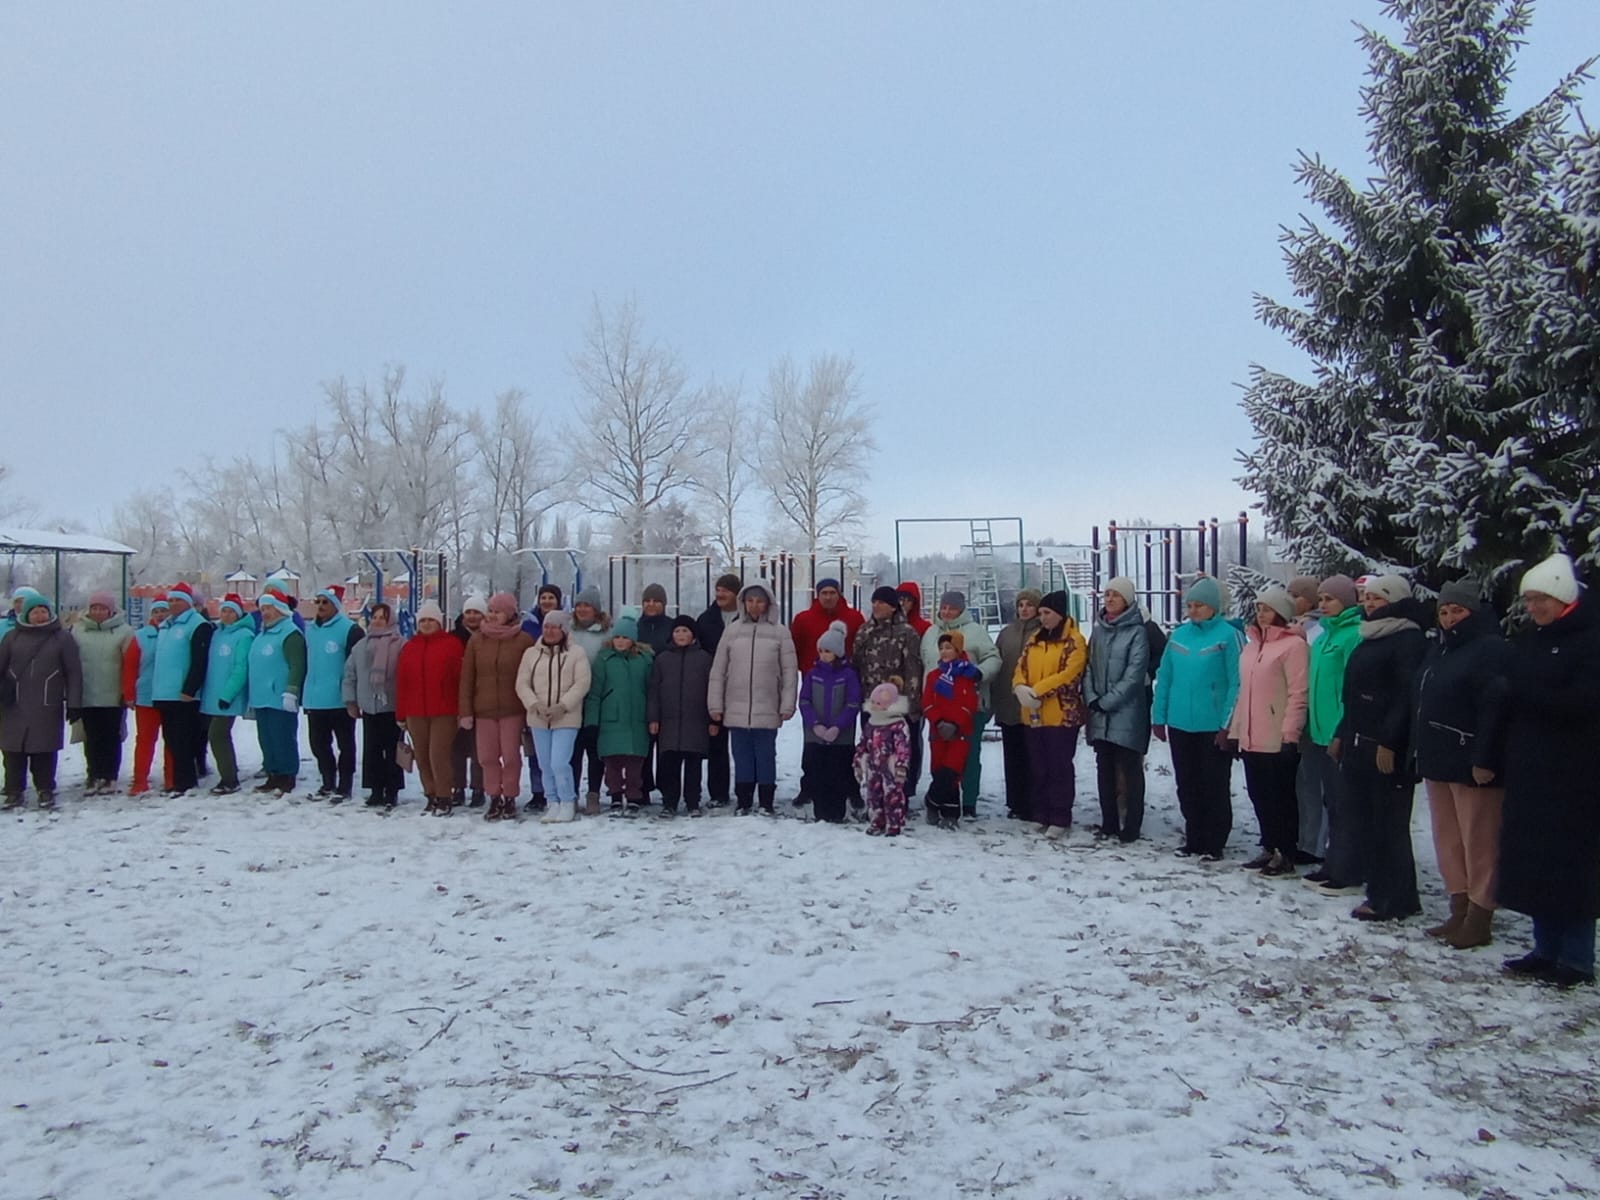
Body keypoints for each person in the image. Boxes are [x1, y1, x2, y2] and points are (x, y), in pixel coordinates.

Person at [1497, 553, 1600, 988]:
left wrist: (1524, 695)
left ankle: (1576, 958)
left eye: (1541, 599)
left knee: (1571, 865)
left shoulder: (1589, 640)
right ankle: (1545, 948)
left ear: (1563, 598)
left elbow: (1584, 701)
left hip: (1575, 771)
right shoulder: (1534, 637)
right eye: (1530, 600)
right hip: (1532, 766)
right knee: (1537, 859)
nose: (1534, 607)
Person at [1412, 579, 1510, 949]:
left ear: (1473, 612)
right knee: (1448, 837)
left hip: (1472, 761)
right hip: (1439, 757)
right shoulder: (1439, 650)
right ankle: (1458, 905)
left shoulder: (1490, 650)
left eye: (1458, 610)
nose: (1450, 617)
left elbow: (1495, 707)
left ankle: (1481, 913)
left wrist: (1485, 757)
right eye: (1444, 611)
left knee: (1478, 839)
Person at [1330, 575, 1427, 923]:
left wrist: (1391, 741)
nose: (1369, 604)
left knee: (1390, 825)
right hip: (1358, 740)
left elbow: (1405, 696)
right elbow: (1352, 695)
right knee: (1367, 822)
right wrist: (1342, 732)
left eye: (1378, 598)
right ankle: (1379, 890)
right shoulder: (1369, 635)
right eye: (1367, 597)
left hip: (1386, 748)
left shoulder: (1407, 638)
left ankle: (1396, 897)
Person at [1151, 576, 1242, 862]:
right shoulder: (1179, 635)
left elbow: (1237, 683)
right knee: (1187, 783)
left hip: (1212, 725)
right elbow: (1164, 676)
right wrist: (1159, 716)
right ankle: (1194, 836)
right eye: (1189, 605)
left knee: (1213, 784)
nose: (1193, 610)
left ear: (1214, 607)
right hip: (1180, 723)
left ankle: (1214, 841)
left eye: (1199, 605)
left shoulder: (1229, 636)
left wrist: (1227, 724)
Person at [1229, 586, 1310, 878]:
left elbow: (1298, 692)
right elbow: (1245, 692)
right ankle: (1268, 844)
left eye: (1267, 608)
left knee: (1281, 797)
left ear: (1281, 613)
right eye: (1259, 608)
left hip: (1276, 736)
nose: (1261, 613)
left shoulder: (1293, 646)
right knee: (1259, 794)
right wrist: (1237, 730)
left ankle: (1285, 851)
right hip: (1252, 736)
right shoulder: (1252, 645)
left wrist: (1290, 733)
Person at [708, 584, 797, 815]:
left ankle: (766, 802)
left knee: (766, 755)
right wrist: (715, 704)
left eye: (759, 601)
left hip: (767, 706)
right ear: (743, 603)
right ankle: (744, 800)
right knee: (742, 756)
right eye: (750, 601)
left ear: (768, 603)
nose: (754, 605)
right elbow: (718, 671)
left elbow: (789, 672)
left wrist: (787, 703)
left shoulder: (780, 632)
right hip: (736, 707)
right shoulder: (732, 631)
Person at [1301, 575, 1365, 894]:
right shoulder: (1324, 636)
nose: (1323, 604)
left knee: (1345, 804)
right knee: (1333, 801)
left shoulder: (1352, 635)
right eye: (1321, 598)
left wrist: (1342, 729)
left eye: (1331, 599)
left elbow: (1351, 690)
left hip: (1340, 733)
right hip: (1320, 732)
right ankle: (1332, 862)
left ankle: (1348, 869)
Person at [1012, 590, 1089, 839]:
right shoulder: (1035, 639)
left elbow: (1070, 674)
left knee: (1059, 767)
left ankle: (1059, 815)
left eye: (1047, 613)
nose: (1042, 618)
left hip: (1061, 715)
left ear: (1059, 614)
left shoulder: (1074, 640)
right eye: (1041, 613)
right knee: (1038, 766)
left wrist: (1037, 691)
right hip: (1033, 715)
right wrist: (1020, 687)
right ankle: (1040, 812)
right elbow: (1020, 667)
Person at [919, 590, 1002, 818]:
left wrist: (979, 673)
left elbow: (993, 657)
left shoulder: (975, 632)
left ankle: (969, 800)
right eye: (943, 607)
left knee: (967, 756)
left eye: (952, 608)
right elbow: (925, 664)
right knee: (940, 757)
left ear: (961, 609)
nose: (946, 612)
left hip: (968, 706)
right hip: (937, 708)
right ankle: (944, 799)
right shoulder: (931, 633)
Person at [1082, 577, 1151, 844]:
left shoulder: (1137, 632)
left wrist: (1108, 700)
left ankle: (1131, 826)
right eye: (1106, 594)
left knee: (1130, 770)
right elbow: (1088, 667)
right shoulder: (1099, 630)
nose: (1109, 599)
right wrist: (1091, 697)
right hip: (1099, 711)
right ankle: (1109, 822)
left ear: (1127, 600)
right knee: (1104, 768)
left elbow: (1134, 675)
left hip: (1127, 713)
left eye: (1115, 595)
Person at [0, 593, 82, 810]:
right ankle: (13, 791)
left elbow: (73, 672)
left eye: (43, 611)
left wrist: (74, 703)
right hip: (13, 704)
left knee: (44, 750)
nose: (39, 616)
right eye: (35, 612)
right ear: (26, 614)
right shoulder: (11, 637)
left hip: (47, 703)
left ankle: (45, 789)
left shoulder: (62, 638)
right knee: (12, 751)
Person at [460, 592, 537, 822]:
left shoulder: (523, 640)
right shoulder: (477, 640)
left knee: (511, 757)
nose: (493, 616)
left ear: (510, 614)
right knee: (487, 757)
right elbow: (467, 678)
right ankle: (494, 796)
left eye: (498, 612)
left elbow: (531, 677)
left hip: (512, 709)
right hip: (483, 709)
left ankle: (510, 796)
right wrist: (465, 711)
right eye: (491, 611)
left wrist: (529, 709)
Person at [790, 579, 866, 806]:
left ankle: (850, 788)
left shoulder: (854, 618)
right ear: (817, 594)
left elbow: (859, 647)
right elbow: (796, 647)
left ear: (839, 594)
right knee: (812, 745)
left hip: (844, 684)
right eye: (824, 592)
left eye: (832, 592)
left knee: (844, 746)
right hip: (815, 684)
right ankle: (809, 787)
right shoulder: (804, 619)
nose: (828, 597)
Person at [852, 585, 924, 822]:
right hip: (871, 704)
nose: (876, 606)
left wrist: (912, 706)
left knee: (897, 756)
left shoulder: (907, 633)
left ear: (893, 607)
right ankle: (874, 800)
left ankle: (899, 799)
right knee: (872, 754)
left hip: (897, 705)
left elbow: (913, 670)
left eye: (881, 602)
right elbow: (856, 664)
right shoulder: (864, 631)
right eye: (874, 602)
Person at [517, 608, 591, 824]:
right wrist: (534, 704)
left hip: (566, 717)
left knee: (560, 761)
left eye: (555, 627)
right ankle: (553, 802)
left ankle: (568, 800)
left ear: (564, 630)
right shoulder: (532, 653)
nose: (549, 631)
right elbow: (522, 683)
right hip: (539, 717)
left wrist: (563, 705)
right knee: (545, 763)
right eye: (546, 626)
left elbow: (582, 683)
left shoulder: (576, 653)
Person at [396, 600, 464, 816]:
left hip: (444, 710)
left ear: (439, 622)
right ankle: (430, 793)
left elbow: (460, 680)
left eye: (430, 620)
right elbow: (402, 682)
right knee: (422, 755)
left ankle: (445, 795)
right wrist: (401, 713)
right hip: (416, 711)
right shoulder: (410, 648)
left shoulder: (451, 645)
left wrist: (461, 709)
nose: (426, 624)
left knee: (438, 754)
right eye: (422, 620)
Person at [648, 615, 715, 818]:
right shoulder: (662, 659)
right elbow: (653, 691)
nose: (681, 635)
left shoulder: (704, 659)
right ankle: (669, 802)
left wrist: (713, 719)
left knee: (693, 766)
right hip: (668, 723)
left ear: (693, 634)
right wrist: (653, 718)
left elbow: (712, 691)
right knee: (669, 765)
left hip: (696, 722)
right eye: (677, 631)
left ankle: (693, 801)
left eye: (685, 631)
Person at [585, 614, 653, 813]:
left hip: (636, 720)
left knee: (635, 764)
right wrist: (592, 722)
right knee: (612, 764)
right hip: (610, 721)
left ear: (633, 639)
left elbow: (651, 691)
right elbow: (595, 693)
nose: (620, 641)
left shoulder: (645, 660)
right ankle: (615, 794)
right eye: (617, 637)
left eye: (625, 637)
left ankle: (633, 795)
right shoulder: (604, 660)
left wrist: (652, 717)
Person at [152, 583, 213, 798]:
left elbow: (200, 660)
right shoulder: (166, 626)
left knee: (184, 739)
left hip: (183, 695)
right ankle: (178, 779)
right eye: (170, 600)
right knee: (171, 739)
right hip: (164, 692)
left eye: (177, 600)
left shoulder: (197, 625)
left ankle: (186, 781)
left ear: (188, 603)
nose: (173, 604)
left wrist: (190, 688)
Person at [303, 585, 363, 803]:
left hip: (340, 700)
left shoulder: (350, 630)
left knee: (345, 744)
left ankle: (344, 785)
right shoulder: (310, 631)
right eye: (317, 602)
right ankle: (327, 781)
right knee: (318, 744)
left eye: (325, 602)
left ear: (336, 605)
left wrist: (353, 697)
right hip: (315, 698)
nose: (320, 606)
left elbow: (356, 666)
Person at [798, 620, 862, 824]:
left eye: (828, 651)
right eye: (821, 650)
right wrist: (814, 724)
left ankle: (837, 810)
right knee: (818, 772)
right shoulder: (813, 674)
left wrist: (837, 726)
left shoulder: (848, 675)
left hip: (840, 737)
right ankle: (820, 810)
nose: (823, 654)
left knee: (838, 773)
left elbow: (853, 703)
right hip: (815, 736)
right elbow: (805, 700)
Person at [343, 601, 405, 810]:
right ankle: (376, 790)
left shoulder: (400, 644)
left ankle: (392, 790)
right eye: (375, 617)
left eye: (383, 618)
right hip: (369, 706)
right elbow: (350, 674)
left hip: (392, 706)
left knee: (392, 750)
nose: (378, 621)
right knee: (372, 750)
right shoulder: (360, 646)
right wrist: (351, 701)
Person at [71, 589, 133, 795]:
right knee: (91, 738)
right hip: (87, 694)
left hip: (112, 694)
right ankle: (94, 774)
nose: (98, 612)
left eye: (102, 608)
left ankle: (110, 776)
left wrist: (127, 691)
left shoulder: (124, 631)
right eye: (94, 608)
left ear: (111, 610)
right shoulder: (78, 631)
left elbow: (130, 663)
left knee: (111, 737)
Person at [246, 592, 306, 797]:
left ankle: (287, 775)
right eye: (262, 609)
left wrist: (291, 691)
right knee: (267, 738)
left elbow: (296, 665)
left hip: (280, 696)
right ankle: (272, 773)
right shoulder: (262, 634)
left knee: (282, 737)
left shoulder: (290, 633)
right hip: (261, 696)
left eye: (269, 608)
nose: (265, 613)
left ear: (280, 609)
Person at [923, 631, 982, 829]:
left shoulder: (967, 676)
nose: (944, 652)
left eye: (948, 647)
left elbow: (970, 704)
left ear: (958, 649)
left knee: (952, 771)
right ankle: (939, 809)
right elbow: (927, 702)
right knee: (938, 768)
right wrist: (938, 721)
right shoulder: (934, 676)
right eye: (941, 648)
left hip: (959, 731)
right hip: (938, 730)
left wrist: (955, 723)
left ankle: (939, 805)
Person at [198, 594, 255, 796]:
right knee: (218, 736)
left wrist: (228, 694)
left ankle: (230, 779)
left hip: (227, 696)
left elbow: (241, 668)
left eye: (231, 611)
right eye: (224, 610)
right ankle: (229, 770)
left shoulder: (244, 636)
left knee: (218, 734)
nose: (226, 615)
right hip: (211, 695)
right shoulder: (217, 633)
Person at [994, 588, 1043, 821]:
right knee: (1012, 755)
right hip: (1007, 701)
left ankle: (1035, 802)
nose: (1024, 609)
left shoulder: (1044, 632)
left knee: (1034, 755)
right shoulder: (1006, 633)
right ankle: (1016, 802)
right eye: (1021, 604)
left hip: (1033, 704)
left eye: (1029, 605)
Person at [695, 573, 742, 808]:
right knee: (716, 742)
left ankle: (746, 790)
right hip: (714, 686)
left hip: (742, 686)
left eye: (726, 590)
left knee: (744, 743)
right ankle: (718, 792)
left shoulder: (747, 619)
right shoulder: (706, 620)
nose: (720, 594)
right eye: (718, 589)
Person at [519, 583, 566, 811]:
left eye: (551, 597)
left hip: (560, 698)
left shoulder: (567, 624)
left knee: (559, 755)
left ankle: (562, 793)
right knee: (536, 751)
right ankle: (539, 792)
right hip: (535, 698)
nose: (547, 601)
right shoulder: (528, 626)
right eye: (543, 597)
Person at [568, 587, 612, 812]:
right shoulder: (567, 632)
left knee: (595, 750)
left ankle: (593, 792)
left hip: (598, 699)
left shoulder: (607, 634)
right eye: (579, 605)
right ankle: (571, 792)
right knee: (572, 750)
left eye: (587, 605)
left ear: (596, 609)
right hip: (571, 700)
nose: (582, 609)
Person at [123, 597, 171, 796]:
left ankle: (171, 778)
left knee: (172, 740)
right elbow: (130, 666)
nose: (160, 615)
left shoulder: (175, 634)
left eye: (164, 611)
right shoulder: (141, 636)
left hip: (170, 696)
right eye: (156, 611)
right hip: (146, 696)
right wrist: (129, 693)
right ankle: (140, 779)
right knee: (144, 740)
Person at [855, 681, 912, 836]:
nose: (874, 706)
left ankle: (894, 823)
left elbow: (903, 747)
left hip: (890, 768)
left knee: (892, 796)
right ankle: (877, 821)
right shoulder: (871, 723)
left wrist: (901, 766)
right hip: (873, 766)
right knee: (873, 795)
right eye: (873, 702)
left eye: (878, 703)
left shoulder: (898, 725)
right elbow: (862, 743)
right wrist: (858, 761)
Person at [450, 594, 489, 808]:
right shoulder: (452, 638)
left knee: (479, 748)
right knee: (456, 747)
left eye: (477, 612)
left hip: (483, 699)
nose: (472, 616)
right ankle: (457, 787)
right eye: (469, 612)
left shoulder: (489, 637)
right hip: (455, 699)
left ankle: (478, 787)